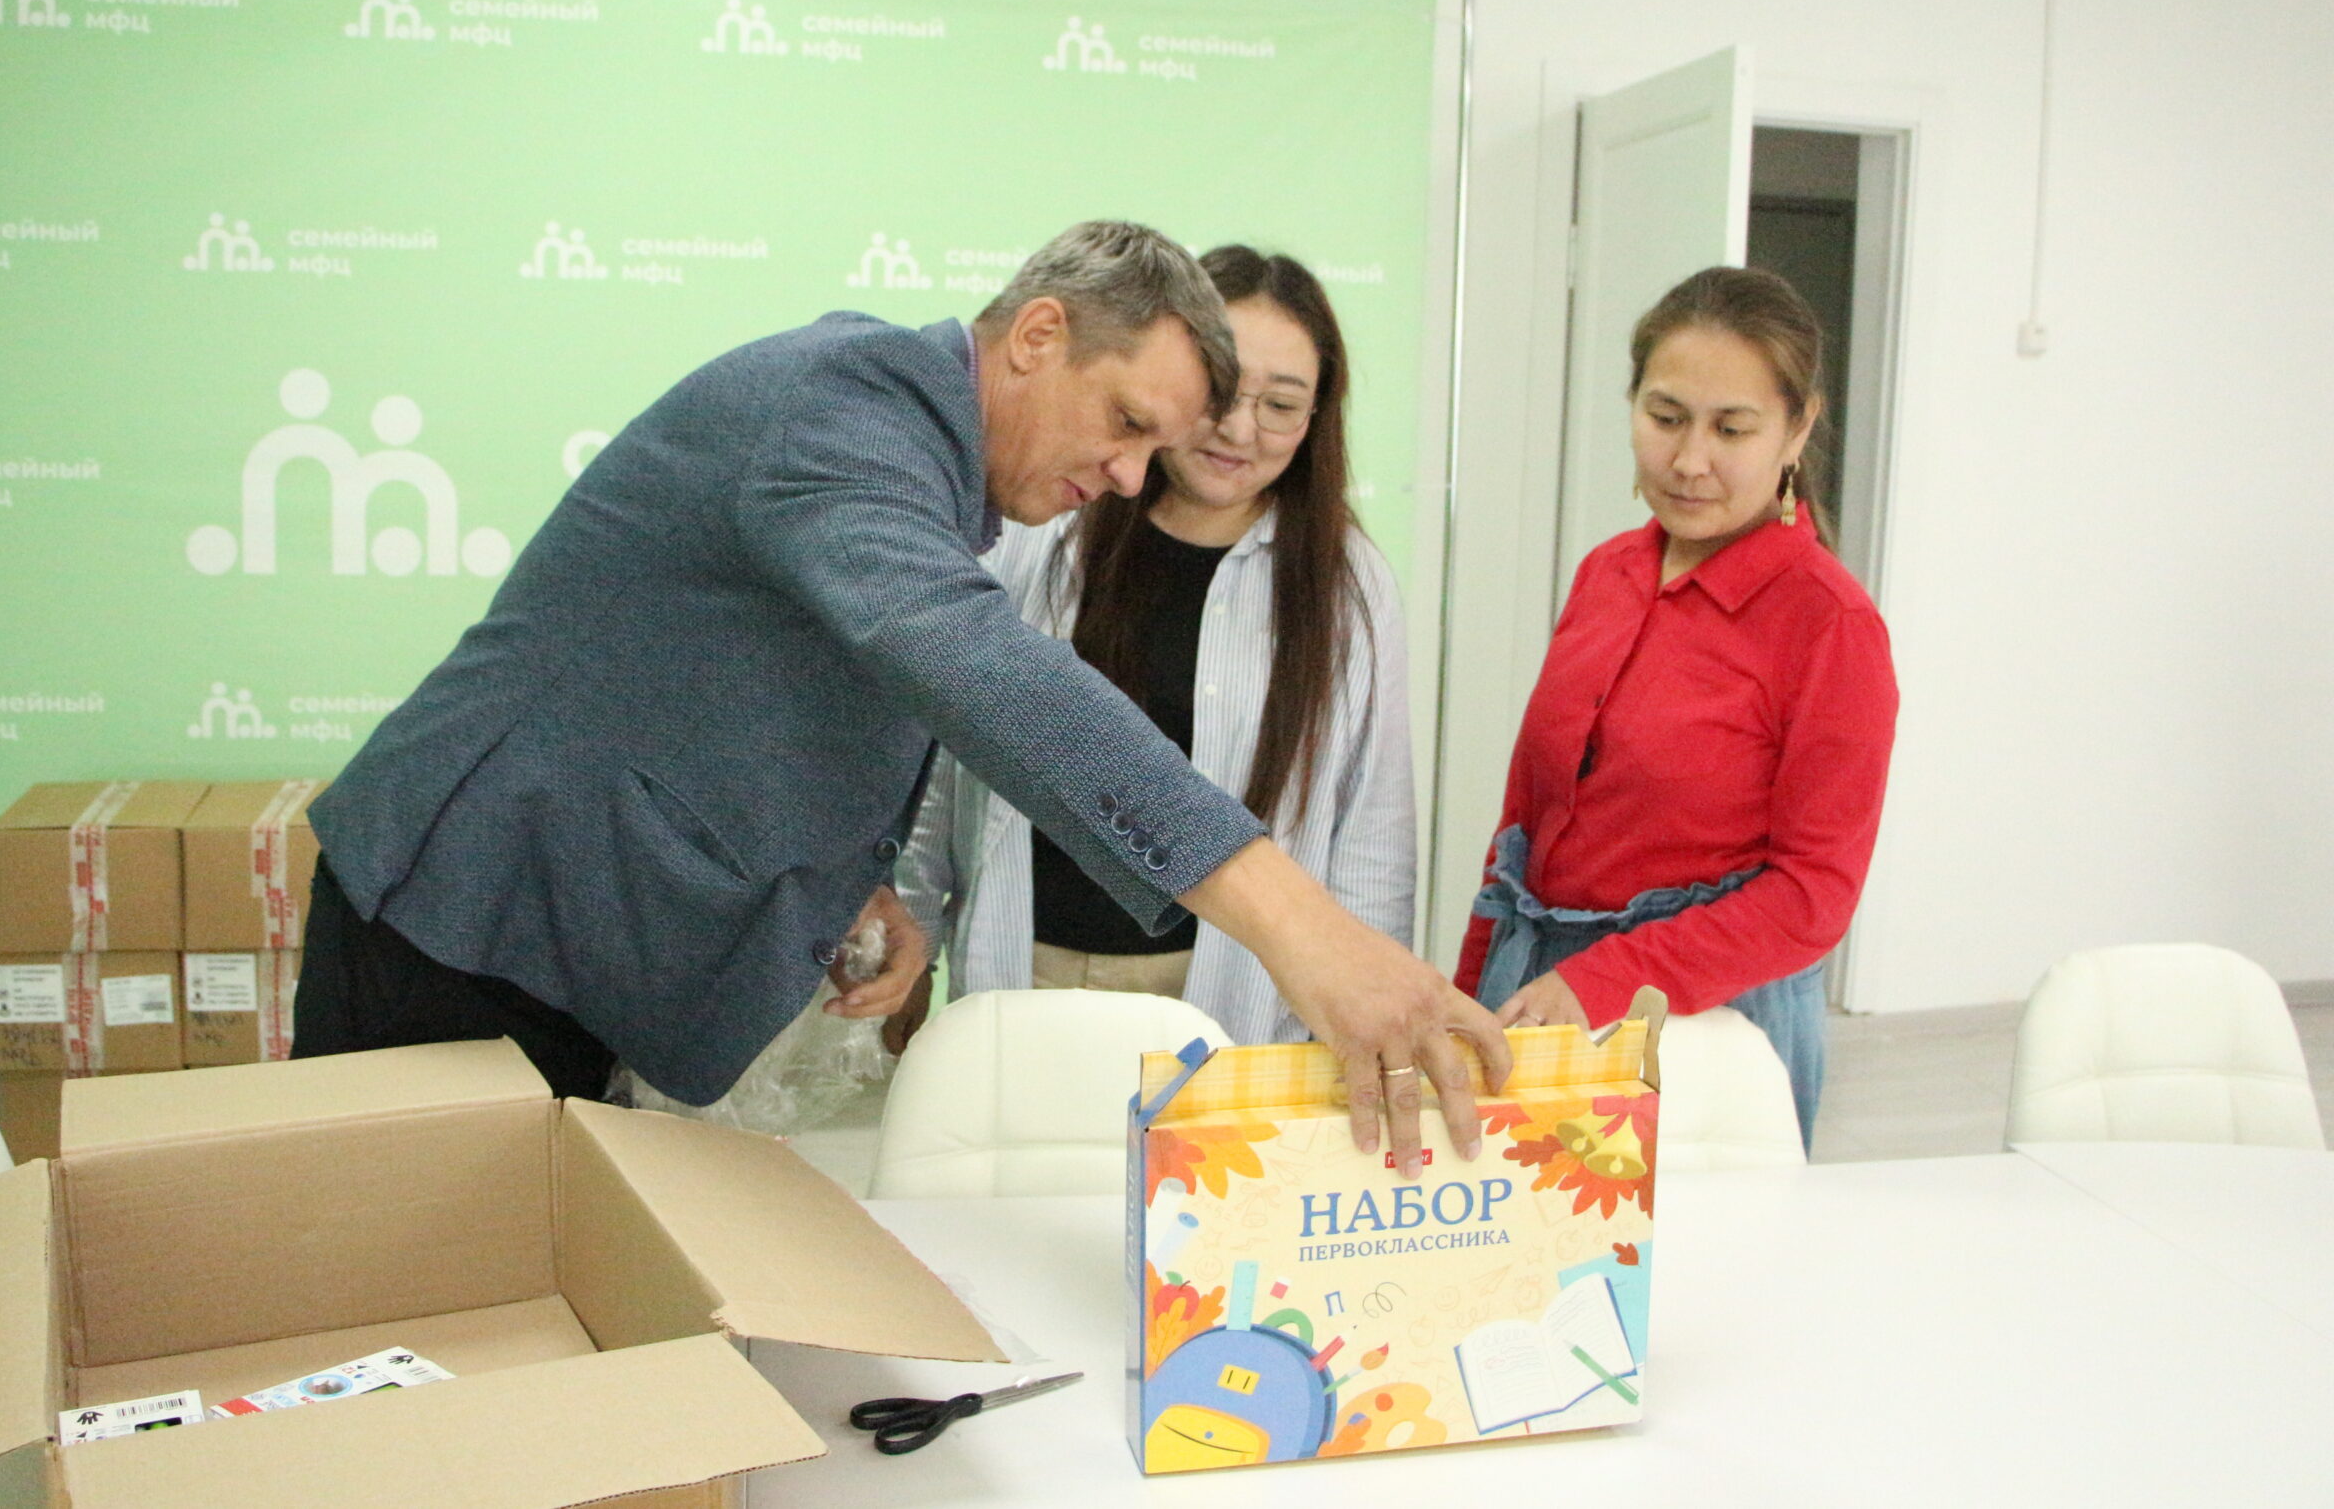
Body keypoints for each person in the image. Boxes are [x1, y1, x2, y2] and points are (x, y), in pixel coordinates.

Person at [298, 221, 1510, 1177]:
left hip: (566, 937)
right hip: (465, 916)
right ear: (1038, 335)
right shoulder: (842, 413)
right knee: (415, 1320)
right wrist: (1302, 929)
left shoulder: (924, 459)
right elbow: (984, 673)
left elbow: (746, 683)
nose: (1127, 475)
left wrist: (853, 876)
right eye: (1126, 424)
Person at [895, 247, 1412, 1044]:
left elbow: (1372, 829)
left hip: (1223, 1001)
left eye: (1281, 405)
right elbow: (943, 751)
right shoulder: (1046, 522)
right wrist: (911, 922)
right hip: (1024, 973)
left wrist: (1367, 999)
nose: (1239, 429)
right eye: (1222, 393)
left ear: (1316, 418)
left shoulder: (1346, 583)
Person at [1452, 265, 1898, 1147]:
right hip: (1538, 994)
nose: (1690, 460)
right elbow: (1524, 825)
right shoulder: (1608, 572)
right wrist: (1465, 1000)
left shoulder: (1830, 624)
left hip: (1708, 1028)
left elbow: (1812, 895)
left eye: (1732, 428)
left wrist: (1604, 979)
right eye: (1665, 417)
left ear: (1798, 427)